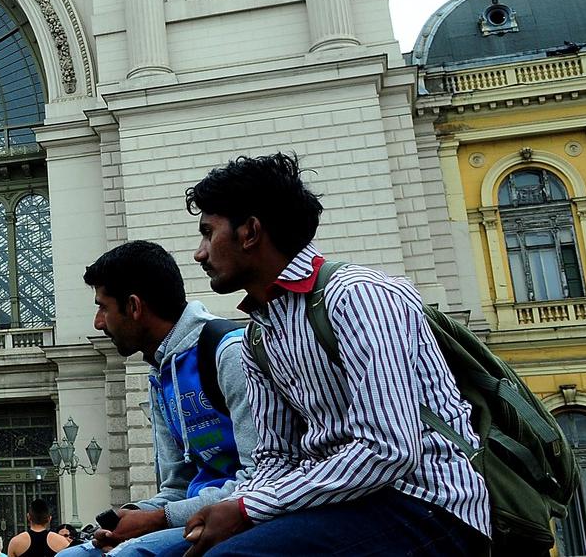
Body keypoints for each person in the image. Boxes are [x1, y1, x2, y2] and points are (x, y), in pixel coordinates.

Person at [178, 153, 489, 556]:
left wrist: (249, 507)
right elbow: (277, 457)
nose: (199, 253)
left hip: (427, 502)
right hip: (341, 503)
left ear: (250, 232)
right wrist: (230, 506)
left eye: (208, 233)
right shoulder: (260, 333)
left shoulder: (358, 296)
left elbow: (388, 449)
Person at [61, 241, 258, 557]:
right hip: (191, 517)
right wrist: (130, 516)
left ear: (135, 307)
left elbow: (260, 478)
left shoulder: (229, 355)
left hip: (243, 517)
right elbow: (177, 488)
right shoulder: (160, 376)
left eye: (103, 307)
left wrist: (154, 520)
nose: (98, 322)